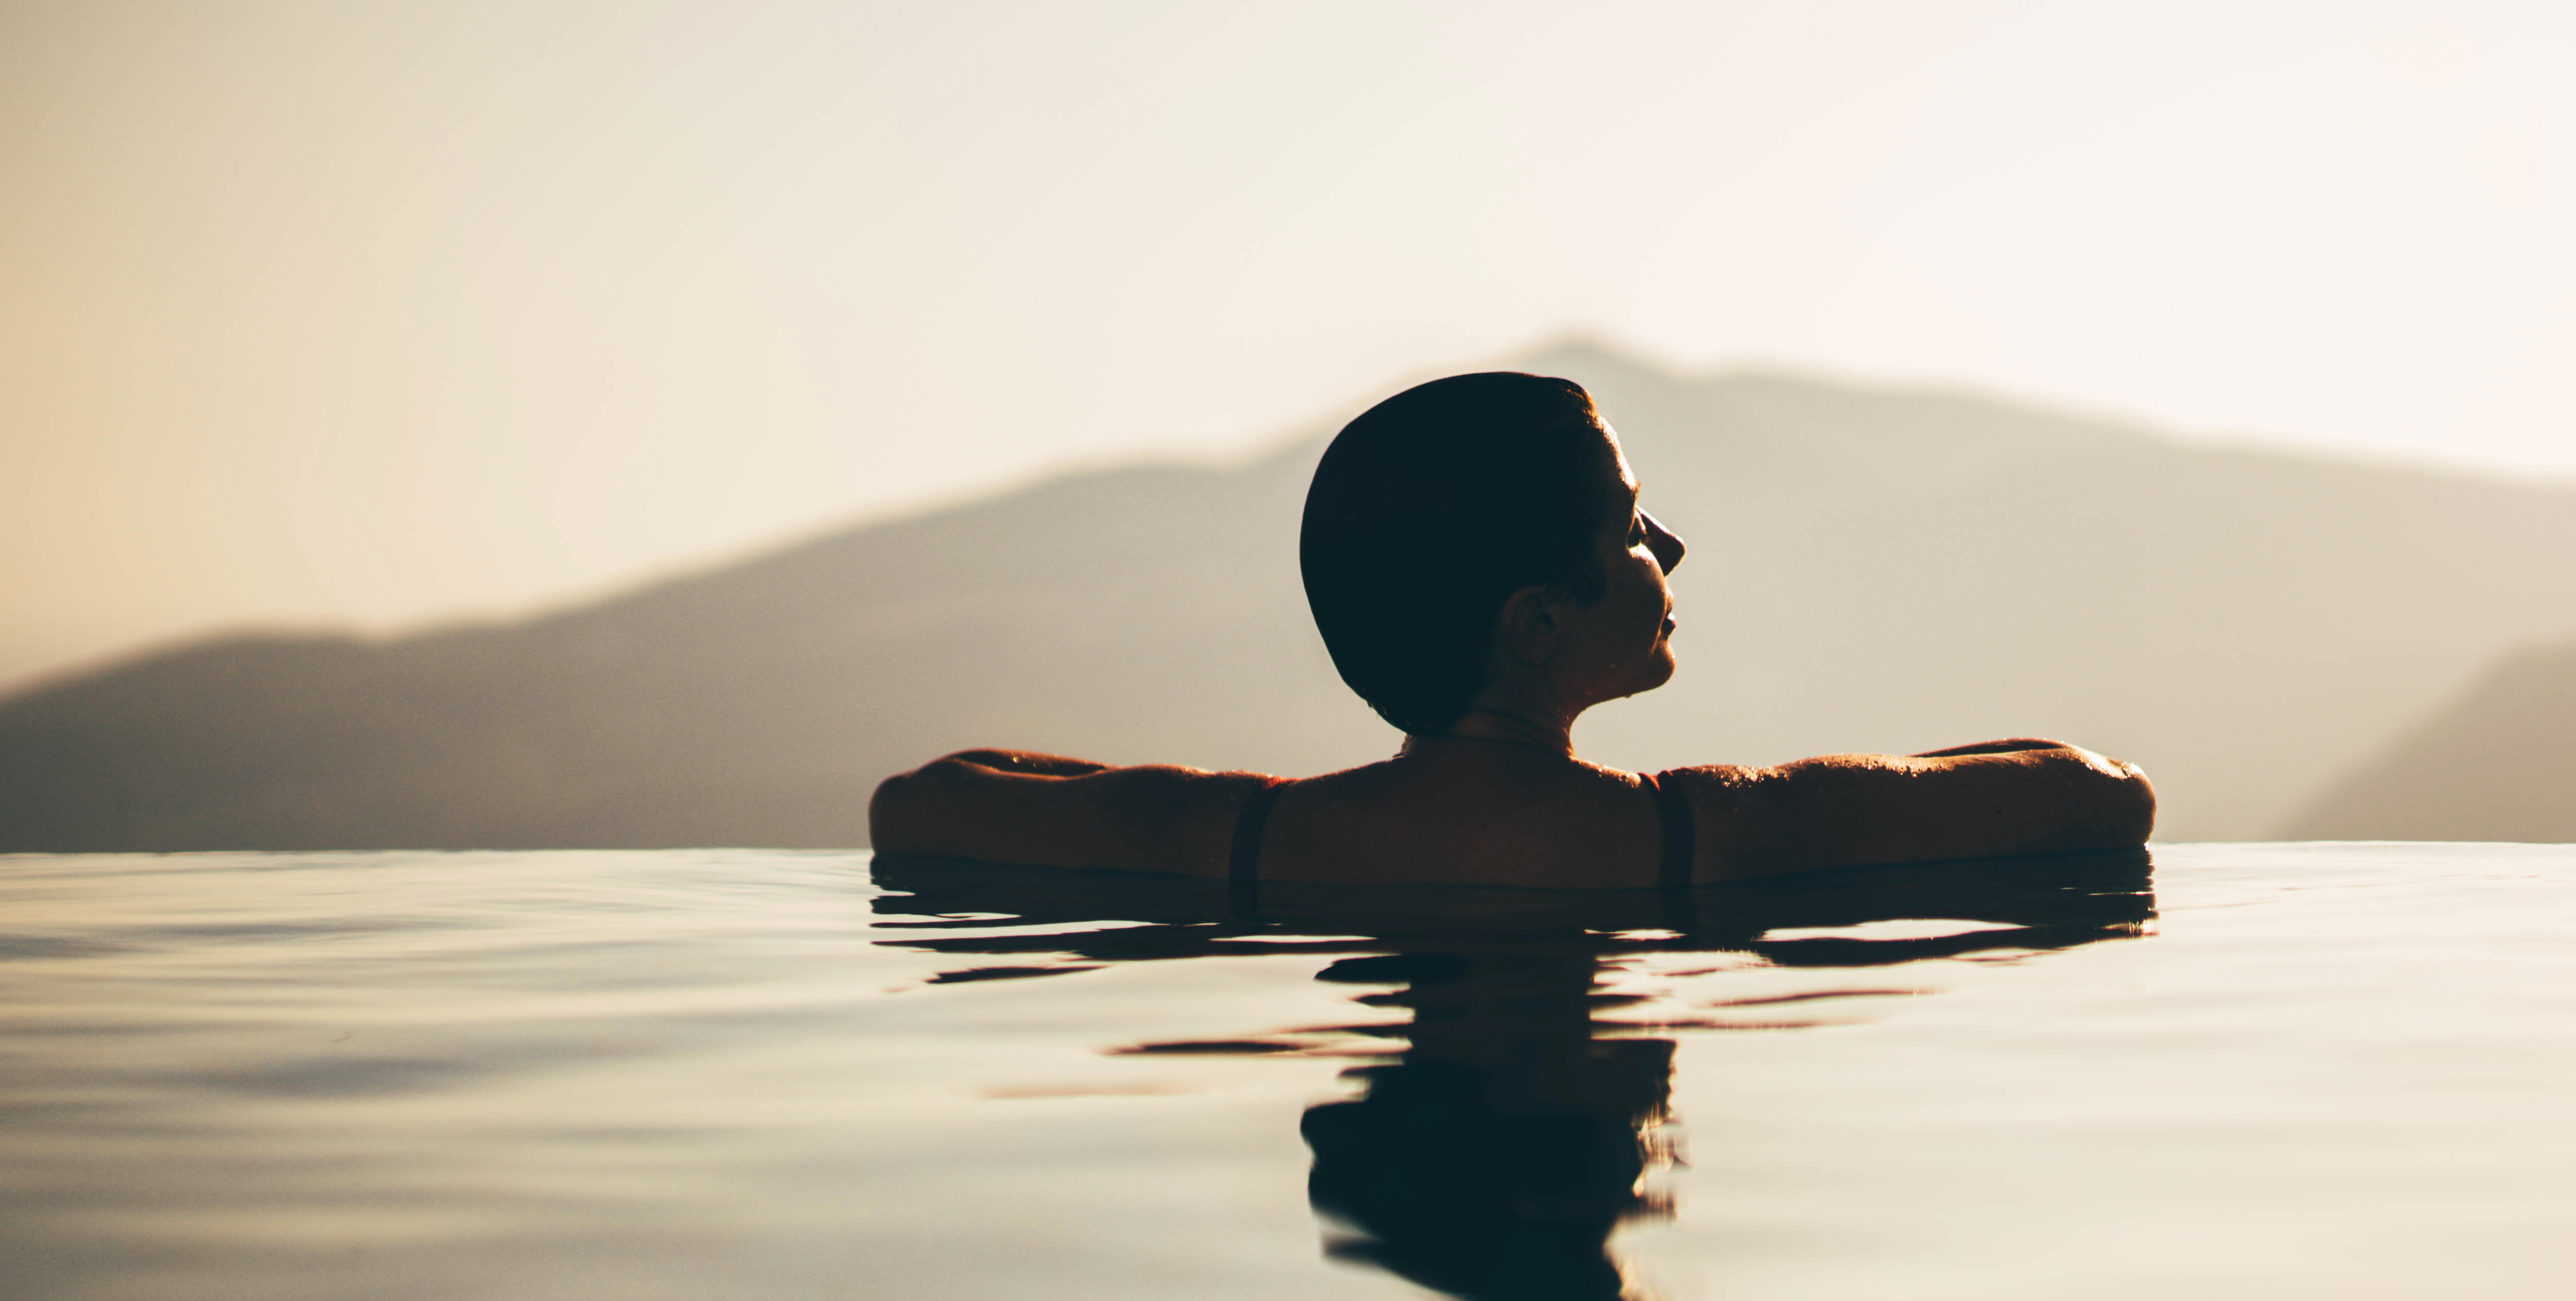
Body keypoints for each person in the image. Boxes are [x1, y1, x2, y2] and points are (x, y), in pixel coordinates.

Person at [867, 371, 2154, 888]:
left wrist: (1200, 807)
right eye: (1635, 530)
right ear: (1538, 623)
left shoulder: (1246, 837)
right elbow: (2097, 798)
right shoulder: (1712, 830)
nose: (1669, 552)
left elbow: (920, 803)